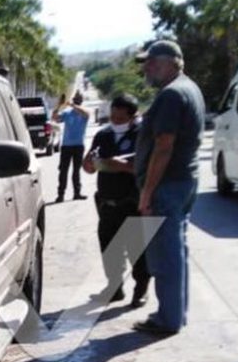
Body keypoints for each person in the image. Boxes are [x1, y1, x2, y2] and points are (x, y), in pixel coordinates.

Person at [132, 40, 206, 336]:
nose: (147, 69)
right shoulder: (189, 88)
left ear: (169, 63)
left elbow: (164, 146)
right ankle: (175, 314)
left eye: (151, 63)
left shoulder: (172, 95)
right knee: (176, 251)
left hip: (167, 185)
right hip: (183, 182)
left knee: (165, 256)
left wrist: (147, 191)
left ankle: (168, 319)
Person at [82, 93, 150, 307]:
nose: (116, 121)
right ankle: (114, 287)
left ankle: (141, 289)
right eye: (113, 117)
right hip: (107, 203)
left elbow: (148, 167)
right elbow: (89, 166)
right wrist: (89, 163)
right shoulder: (103, 135)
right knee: (109, 248)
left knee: (137, 249)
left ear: (133, 116)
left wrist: (122, 166)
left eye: (121, 118)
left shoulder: (143, 135)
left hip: (132, 202)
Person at [51, 91, 90, 203]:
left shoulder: (84, 113)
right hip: (66, 146)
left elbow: (85, 113)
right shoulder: (67, 113)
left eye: (79, 99)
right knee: (63, 171)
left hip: (79, 145)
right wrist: (59, 105)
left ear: (81, 101)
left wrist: (72, 105)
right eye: (76, 99)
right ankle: (60, 195)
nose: (77, 101)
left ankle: (77, 193)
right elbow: (54, 118)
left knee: (76, 171)